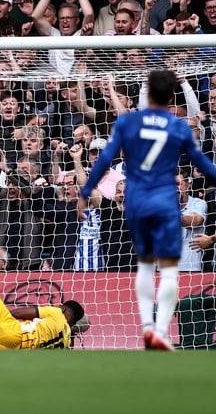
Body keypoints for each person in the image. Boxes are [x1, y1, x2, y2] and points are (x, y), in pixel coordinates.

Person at [78, 70, 216, 351]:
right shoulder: (178, 127)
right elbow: (202, 164)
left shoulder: (129, 122)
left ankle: (147, 328)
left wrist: (84, 191)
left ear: (149, 93)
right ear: (170, 97)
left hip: (138, 202)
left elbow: (105, 159)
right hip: (165, 202)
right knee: (168, 269)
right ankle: (161, 332)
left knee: (144, 265)